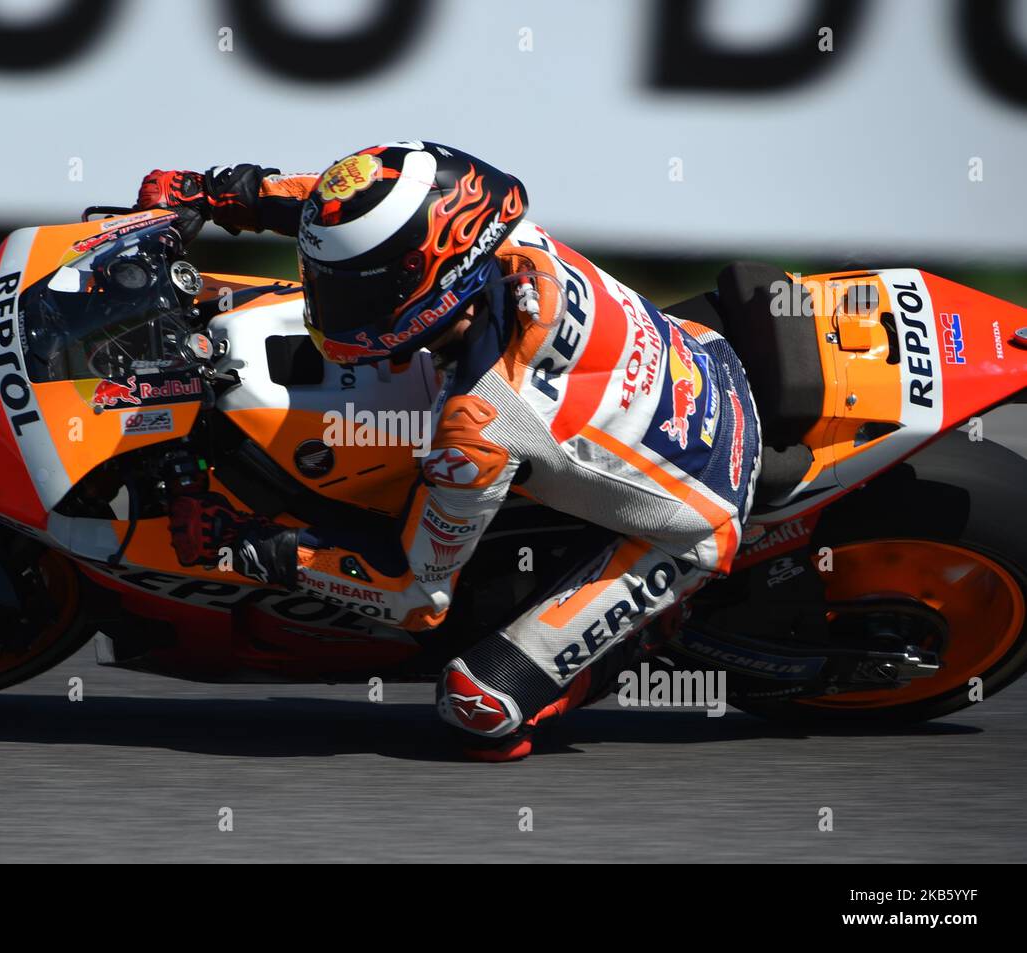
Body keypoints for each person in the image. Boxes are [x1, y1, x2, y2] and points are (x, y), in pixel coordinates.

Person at [136, 141, 762, 760]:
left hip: (696, 515)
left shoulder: (480, 422)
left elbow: (412, 594)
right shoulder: (493, 231)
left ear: (433, 278)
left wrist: (244, 545)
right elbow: (338, 213)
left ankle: (637, 642)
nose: (330, 301)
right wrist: (214, 193)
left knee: (476, 706)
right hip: (701, 356)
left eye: (353, 292)